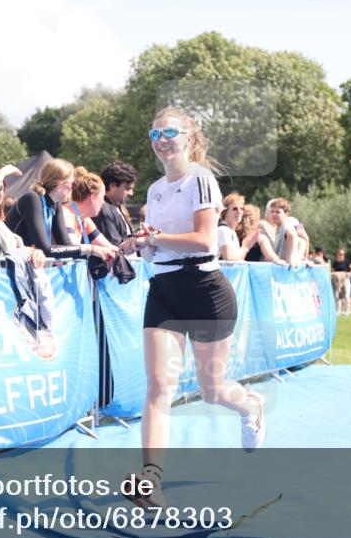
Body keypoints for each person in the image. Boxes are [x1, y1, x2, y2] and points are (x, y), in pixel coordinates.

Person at [119, 105, 266, 509]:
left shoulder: (201, 179)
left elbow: (204, 241)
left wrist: (159, 236)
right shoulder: (153, 190)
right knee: (158, 385)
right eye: (155, 135)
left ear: (188, 138)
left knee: (213, 390)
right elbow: (158, 251)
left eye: (169, 133)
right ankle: (151, 480)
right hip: (164, 288)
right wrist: (143, 243)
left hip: (204, 289)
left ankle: (250, 406)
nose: (162, 141)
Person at [5, 157, 115, 262]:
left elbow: (66, 244)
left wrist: (100, 253)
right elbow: (46, 249)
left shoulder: (56, 205)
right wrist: (91, 249)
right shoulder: (32, 199)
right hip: (8, 265)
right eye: (71, 184)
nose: (73, 189)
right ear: (60, 184)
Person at [64, 167, 119, 255]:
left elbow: (110, 247)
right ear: (93, 197)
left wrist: (131, 244)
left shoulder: (84, 219)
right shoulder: (66, 213)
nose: (103, 202)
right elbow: (72, 247)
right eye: (102, 197)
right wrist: (93, 249)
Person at [92, 160, 136, 245]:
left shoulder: (116, 207)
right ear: (112, 185)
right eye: (127, 189)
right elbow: (114, 244)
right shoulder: (103, 210)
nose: (131, 193)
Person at [217, 192, 260, 261]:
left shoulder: (231, 231)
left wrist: (245, 247)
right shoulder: (224, 230)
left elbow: (236, 260)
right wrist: (245, 247)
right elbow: (229, 259)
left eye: (241, 208)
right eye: (235, 209)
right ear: (225, 212)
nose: (239, 211)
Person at [331, 248, 351, 314]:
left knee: (347, 295)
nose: (341, 256)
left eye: (342, 254)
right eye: (340, 254)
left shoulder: (347, 262)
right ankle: (338, 310)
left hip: (345, 279)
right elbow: (332, 271)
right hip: (337, 281)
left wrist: (349, 275)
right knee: (338, 296)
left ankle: (347, 311)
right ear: (337, 255)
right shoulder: (335, 263)